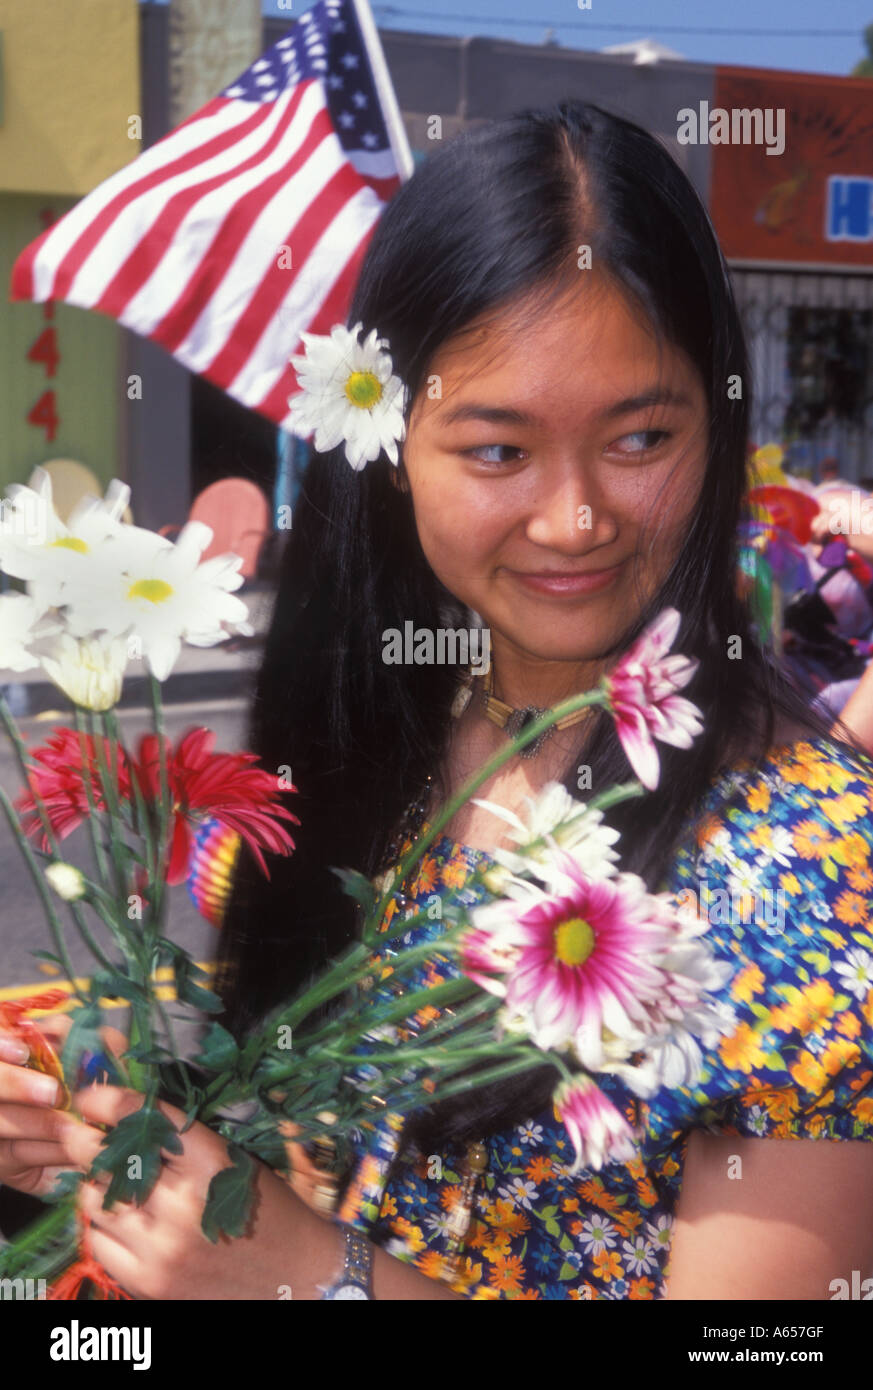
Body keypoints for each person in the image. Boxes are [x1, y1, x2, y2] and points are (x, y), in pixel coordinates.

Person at [3, 100, 873, 1301]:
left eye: (640, 437)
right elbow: (327, 1161)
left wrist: (309, 1279)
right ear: (388, 442)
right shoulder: (386, 738)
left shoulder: (814, 864)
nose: (575, 520)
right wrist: (117, 1132)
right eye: (498, 450)